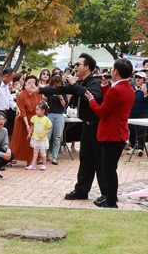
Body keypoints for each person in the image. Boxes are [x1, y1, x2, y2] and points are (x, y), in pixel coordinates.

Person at [34, 53, 106, 205]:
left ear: (87, 67)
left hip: (97, 126)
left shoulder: (95, 82)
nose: (75, 68)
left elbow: (90, 96)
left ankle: (106, 193)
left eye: (78, 65)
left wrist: (74, 84)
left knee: (99, 161)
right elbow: (60, 89)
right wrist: (40, 90)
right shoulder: (79, 82)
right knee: (85, 159)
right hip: (86, 126)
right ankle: (81, 190)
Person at [85, 58, 134, 208]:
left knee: (109, 170)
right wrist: (105, 87)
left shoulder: (116, 90)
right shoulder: (127, 88)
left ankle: (111, 200)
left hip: (111, 133)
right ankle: (110, 197)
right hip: (119, 133)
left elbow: (102, 111)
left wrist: (91, 100)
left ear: (116, 72)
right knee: (109, 168)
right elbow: (113, 101)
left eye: (112, 69)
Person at [10, 75, 42, 167]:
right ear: (25, 84)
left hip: (34, 119)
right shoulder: (21, 94)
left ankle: (30, 160)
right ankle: (11, 158)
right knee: (19, 139)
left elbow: (39, 107)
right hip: (22, 119)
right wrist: (27, 125)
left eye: (33, 83)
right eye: (29, 83)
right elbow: (22, 111)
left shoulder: (38, 94)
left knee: (33, 139)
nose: (31, 85)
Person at [127, 71, 148, 156]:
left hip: (142, 112)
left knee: (141, 130)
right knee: (132, 129)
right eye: (136, 77)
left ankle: (141, 147)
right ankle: (133, 146)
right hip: (132, 111)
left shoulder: (147, 87)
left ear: (143, 79)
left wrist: (145, 93)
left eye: (139, 77)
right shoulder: (131, 87)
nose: (137, 79)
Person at [44, 74, 67, 165]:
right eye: (55, 84)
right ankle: (44, 156)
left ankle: (54, 157)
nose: (57, 86)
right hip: (49, 114)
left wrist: (60, 96)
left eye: (58, 84)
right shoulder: (48, 91)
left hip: (59, 115)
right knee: (47, 136)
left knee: (57, 137)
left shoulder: (63, 92)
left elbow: (64, 105)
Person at [25, 102, 52, 171]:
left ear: (43, 111)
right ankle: (33, 164)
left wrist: (43, 134)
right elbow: (32, 126)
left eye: (37, 110)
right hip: (35, 138)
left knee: (43, 152)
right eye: (36, 110)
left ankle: (44, 164)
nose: (36, 111)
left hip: (42, 139)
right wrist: (29, 133)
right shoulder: (34, 118)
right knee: (35, 152)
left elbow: (49, 128)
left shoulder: (46, 119)